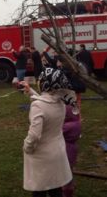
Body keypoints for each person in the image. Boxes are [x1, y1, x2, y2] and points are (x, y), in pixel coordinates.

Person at [21, 68, 73, 197]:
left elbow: (34, 135)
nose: (39, 82)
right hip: (57, 152)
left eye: (41, 80)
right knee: (55, 190)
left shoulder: (38, 106)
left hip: (41, 157)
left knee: (39, 191)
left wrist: (27, 147)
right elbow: (46, 102)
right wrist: (30, 92)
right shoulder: (60, 102)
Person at [62, 105, 81, 197]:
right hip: (73, 148)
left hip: (66, 149)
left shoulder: (68, 126)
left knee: (65, 169)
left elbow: (55, 131)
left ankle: (66, 191)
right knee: (69, 168)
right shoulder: (77, 122)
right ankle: (69, 187)